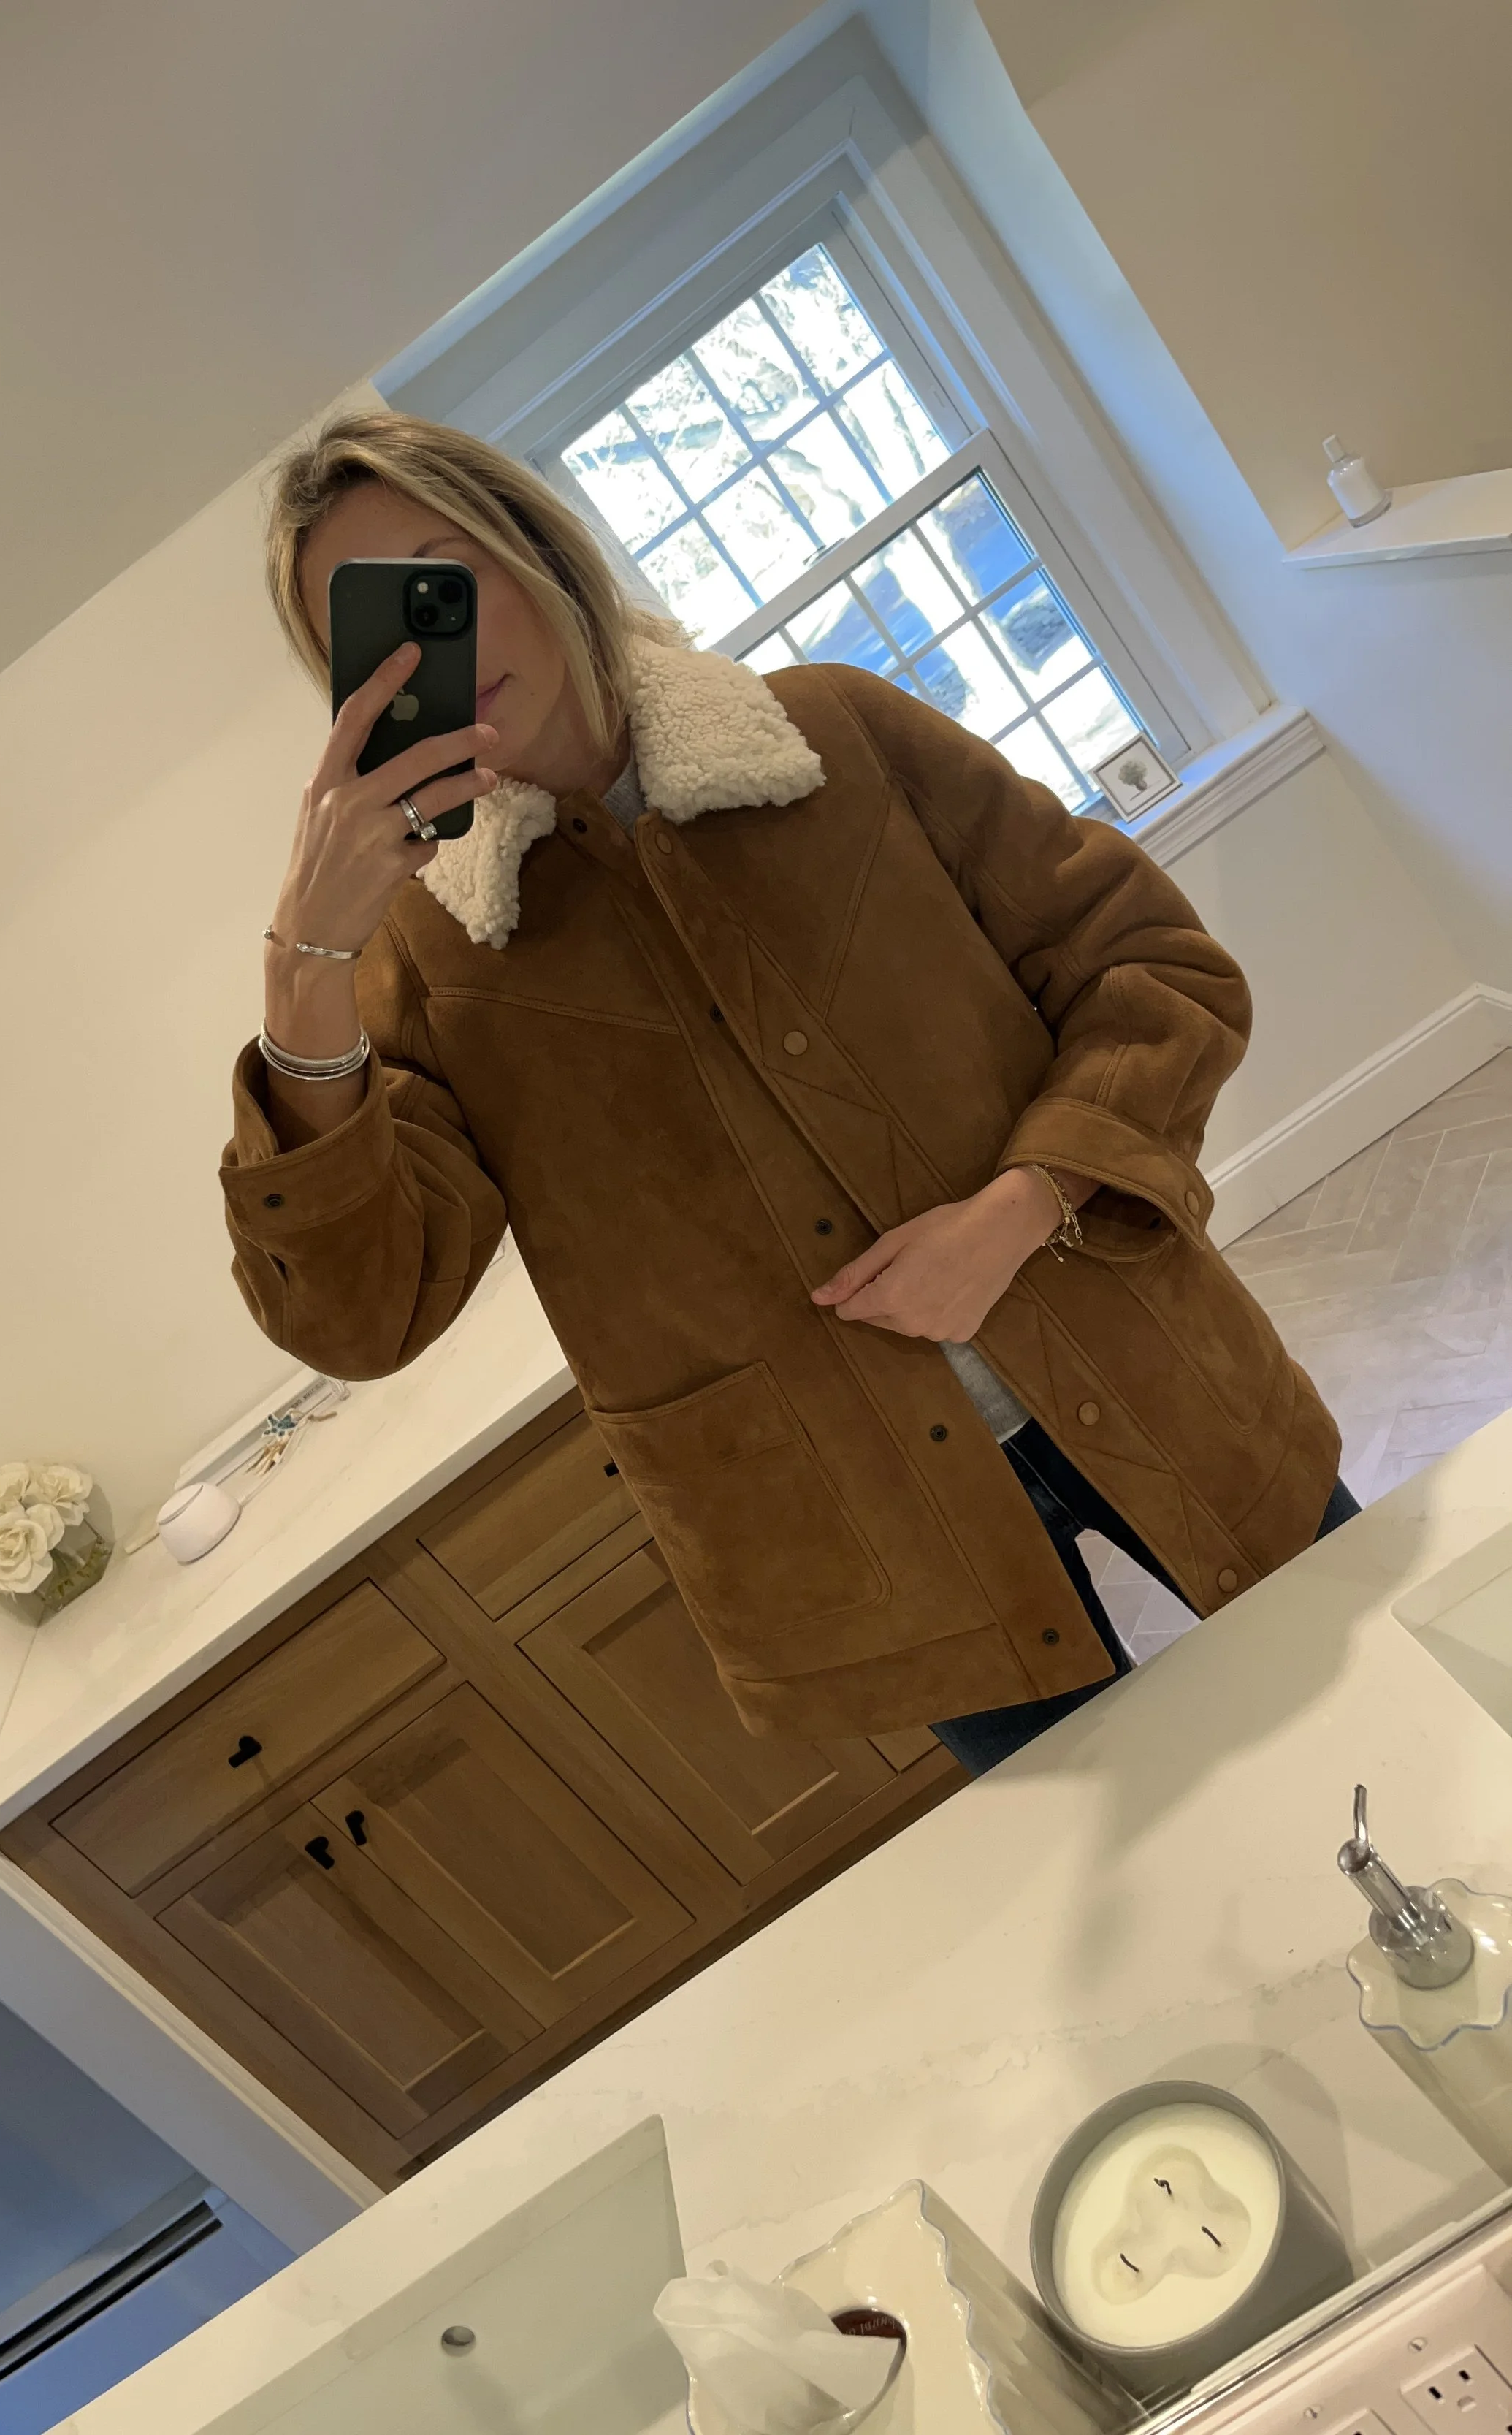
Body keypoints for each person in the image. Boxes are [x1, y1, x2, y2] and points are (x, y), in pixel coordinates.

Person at [220, 411, 1355, 1776]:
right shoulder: (419, 955)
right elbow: (361, 1316)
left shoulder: (838, 739)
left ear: (538, 554)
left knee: (1401, 1706)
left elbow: (1154, 974)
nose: (421, 649)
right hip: (863, 1532)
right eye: (370, 628)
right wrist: (307, 984)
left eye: (439, 581)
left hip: (1153, 1372)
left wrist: (1019, 1206)